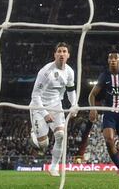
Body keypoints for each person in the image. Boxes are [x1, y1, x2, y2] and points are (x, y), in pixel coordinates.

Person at [29, 42, 78, 177]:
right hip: (39, 106)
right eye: (59, 51)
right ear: (55, 54)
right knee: (43, 144)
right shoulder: (46, 72)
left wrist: (74, 104)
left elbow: (70, 90)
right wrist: (44, 114)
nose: (61, 54)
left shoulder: (69, 71)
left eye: (64, 51)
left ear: (68, 55)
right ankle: (34, 133)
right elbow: (35, 95)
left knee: (61, 135)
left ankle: (54, 167)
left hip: (56, 106)